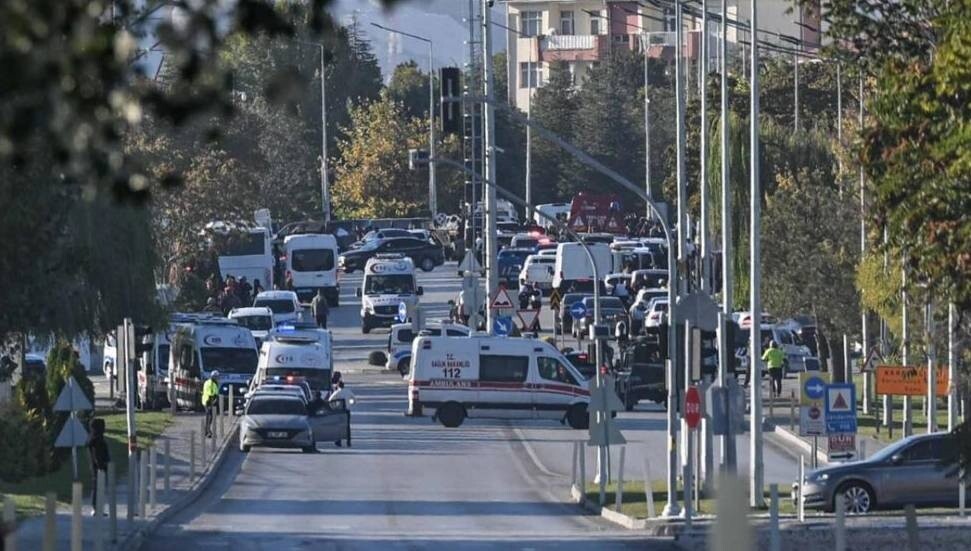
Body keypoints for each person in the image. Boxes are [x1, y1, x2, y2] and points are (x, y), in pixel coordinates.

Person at [86, 418, 110, 513]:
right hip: (99, 468)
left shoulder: (94, 439)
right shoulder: (97, 440)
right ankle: (96, 508)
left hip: (98, 467)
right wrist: (101, 465)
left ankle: (97, 507)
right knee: (98, 487)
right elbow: (97, 455)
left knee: (98, 487)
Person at [329, 381, 355, 447]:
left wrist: (334, 406)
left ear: (338, 386)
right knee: (347, 427)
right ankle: (348, 442)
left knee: (339, 426)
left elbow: (330, 400)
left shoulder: (337, 392)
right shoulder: (348, 391)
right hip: (347, 411)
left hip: (339, 411)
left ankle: (338, 441)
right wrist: (350, 405)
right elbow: (354, 400)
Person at [202, 370, 220, 438]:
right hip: (208, 401)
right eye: (217, 377)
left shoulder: (210, 382)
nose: (218, 378)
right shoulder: (211, 383)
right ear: (214, 377)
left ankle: (207, 431)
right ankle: (207, 432)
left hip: (207, 401)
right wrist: (212, 403)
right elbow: (211, 394)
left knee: (209, 417)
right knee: (209, 417)